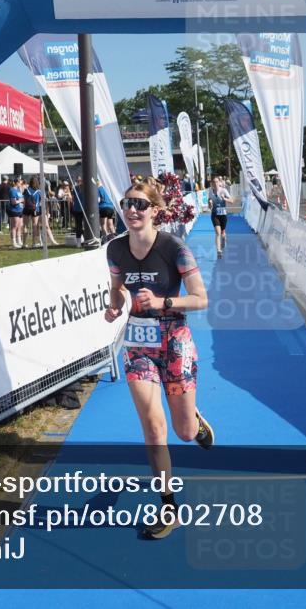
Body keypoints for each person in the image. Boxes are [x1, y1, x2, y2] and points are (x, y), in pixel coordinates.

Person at [103, 180, 214, 539]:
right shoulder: (116, 249)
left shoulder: (174, 248)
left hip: (175, 340)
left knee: (181, 433)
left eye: (139, 204)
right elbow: (117, 286)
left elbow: (200, 299)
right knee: (153, 427)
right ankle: (168, 504)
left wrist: (164, 302)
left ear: (154, 210)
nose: (131, 210)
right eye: (126, 204)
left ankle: (194, 422)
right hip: (138, 344)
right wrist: (115, 304)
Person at [208, 178, 231, 258]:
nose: (215, 183)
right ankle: (219, 251)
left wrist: (224, 198)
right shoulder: (210, 191)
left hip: (223, 214)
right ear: (212, 183)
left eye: (216, 182)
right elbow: (209, 205)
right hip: (214, 214)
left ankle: (224, 239)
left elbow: (232, 200)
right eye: (213, 182)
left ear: (219, 182)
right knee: (218, 232)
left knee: (223, 233)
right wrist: (210, 203)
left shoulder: (223, 190)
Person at [23, 177, 42, 247]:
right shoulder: (39, 191)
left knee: (25, 226)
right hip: (35, 210)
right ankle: (34, 243)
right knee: (34, 225)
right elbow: (40, 202)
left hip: (26, 209)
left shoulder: (26, 190)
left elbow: (24, 200)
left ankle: (24, 243)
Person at [6, 178, 25, 248]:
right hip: (14, 210)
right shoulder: (12, 190)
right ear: (16, 183)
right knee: (14, 227)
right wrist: (20, 200)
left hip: (20, 210)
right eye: (20, 182)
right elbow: (13, 202)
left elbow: (22, 199)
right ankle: (13, 242)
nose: (21, 184)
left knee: (20, 226)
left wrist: (22, 200)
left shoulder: (18, 190)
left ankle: (19, 241)